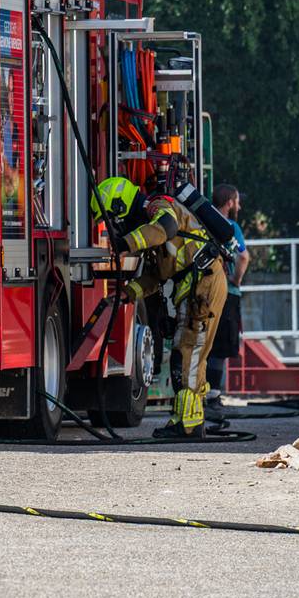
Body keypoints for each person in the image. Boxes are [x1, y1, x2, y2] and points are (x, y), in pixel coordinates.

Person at [91, 176, 228, 438]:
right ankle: (190, 418)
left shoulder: (158, 207)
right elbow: (155, 277)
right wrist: (128, 293)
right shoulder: (150, 226)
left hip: (203, 283)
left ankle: (187, 425)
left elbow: (167, 227)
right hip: (197, 283)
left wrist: (126, 244)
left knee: (187, 351)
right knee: (190, 352)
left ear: (120, 207)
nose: (116, 228)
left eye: (113, 219)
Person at [205, 184, 249, 413]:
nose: (239, 206)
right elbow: (242, 257)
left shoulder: (202, 225)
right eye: (237, 201)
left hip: (202, 293)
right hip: (227, 294)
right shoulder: (230, 227)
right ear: (230, 203)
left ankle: (197, 393)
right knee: (221, 346)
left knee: (203, 343)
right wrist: (235, 280)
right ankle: (212, 396)